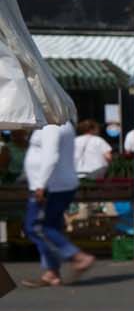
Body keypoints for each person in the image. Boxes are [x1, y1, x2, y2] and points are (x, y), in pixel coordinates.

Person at [23, 120, 93, 287]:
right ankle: (52, 272)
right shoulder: (60, 123)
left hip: (51, 187)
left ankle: (77, 257)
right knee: (50, 227)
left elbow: (50, 155)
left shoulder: (51, 126)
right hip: (56, 184)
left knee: (36, 227)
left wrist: (41, 184)